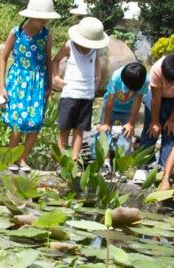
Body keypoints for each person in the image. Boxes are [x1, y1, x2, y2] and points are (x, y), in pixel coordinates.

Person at [0, 0, 60, 173]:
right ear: (31, 17)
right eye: (41, 19)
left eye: (46, 20)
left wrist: (49, 85)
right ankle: (11, 156)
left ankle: (23, 158)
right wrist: (2, 86)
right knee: (19, 120)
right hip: (18, 81)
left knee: (36, 121)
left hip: (38, 83)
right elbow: (3, 58)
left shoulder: (46, 35)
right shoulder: (16, 33)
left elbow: (48, 61)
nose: (44, 23)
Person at [51, 16, 110, 161]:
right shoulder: (69, 45)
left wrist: (96, 82)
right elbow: (56, 60)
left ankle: (74, 160)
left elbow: (97, 68)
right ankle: (61, 161)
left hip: (86, 96)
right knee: (64, 129)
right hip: (70, 94)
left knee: (79, 130)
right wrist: (56, 77)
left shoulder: (94, 51)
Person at [96, 61, 150, 158]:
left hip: (128, 109)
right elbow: (110, 101)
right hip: (111, 108)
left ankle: (121, 161)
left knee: (127, 133)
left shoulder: (144, 80)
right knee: (104, 132)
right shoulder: (116, 76)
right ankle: (105, 160)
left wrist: (130, 123)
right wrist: (106, 123)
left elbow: (137, 102)